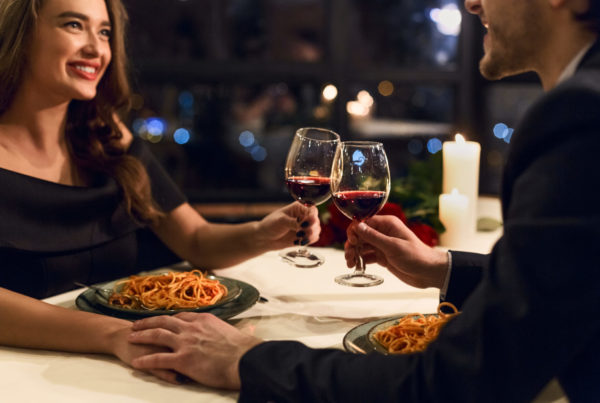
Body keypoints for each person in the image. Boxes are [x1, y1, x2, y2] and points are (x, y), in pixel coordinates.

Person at [127, 0, 600, 401]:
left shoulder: (578, 115)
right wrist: (442, 268)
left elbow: (457, 381)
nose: (472, 3)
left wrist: (248, 360)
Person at [0, 0, 319, 376]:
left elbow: (196, 240)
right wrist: (115, 336)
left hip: (128, 363)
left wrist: (262, 234)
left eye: (104, 32)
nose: (97, 48)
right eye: (73, 25)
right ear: (19, 34)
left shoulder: (109, 139)